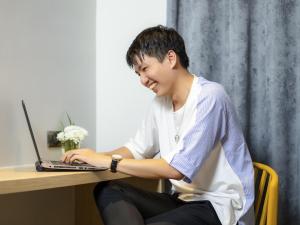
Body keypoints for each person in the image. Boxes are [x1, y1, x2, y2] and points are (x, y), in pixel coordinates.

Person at [62, 25, 255, 225]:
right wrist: (92, 157)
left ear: (171, 58)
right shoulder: (160, 103)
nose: (143, 81)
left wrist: (108, 162)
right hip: (182, 200)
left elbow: (176, 169)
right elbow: (137, 149)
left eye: (145, 69)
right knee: (108, 190)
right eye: (138, 74)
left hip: (221, 207)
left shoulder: (211, 96)